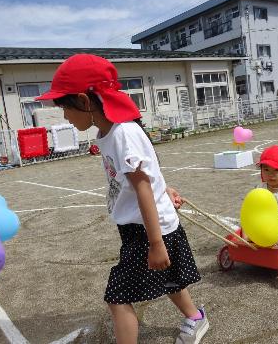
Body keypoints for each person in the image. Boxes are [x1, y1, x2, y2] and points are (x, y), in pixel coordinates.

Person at [35, 54, 208, 344]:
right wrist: (165, 189)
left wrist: (155, 243)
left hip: (149, 231)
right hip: (142, 227)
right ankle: (195, 318)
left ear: (84, 100)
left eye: (64, 107)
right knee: (168, 277)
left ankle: (191, 319)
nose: (64, 116)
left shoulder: (122, 133)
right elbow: (145, 173)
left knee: (117, 297)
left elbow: (142, 187)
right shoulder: (110, 131)